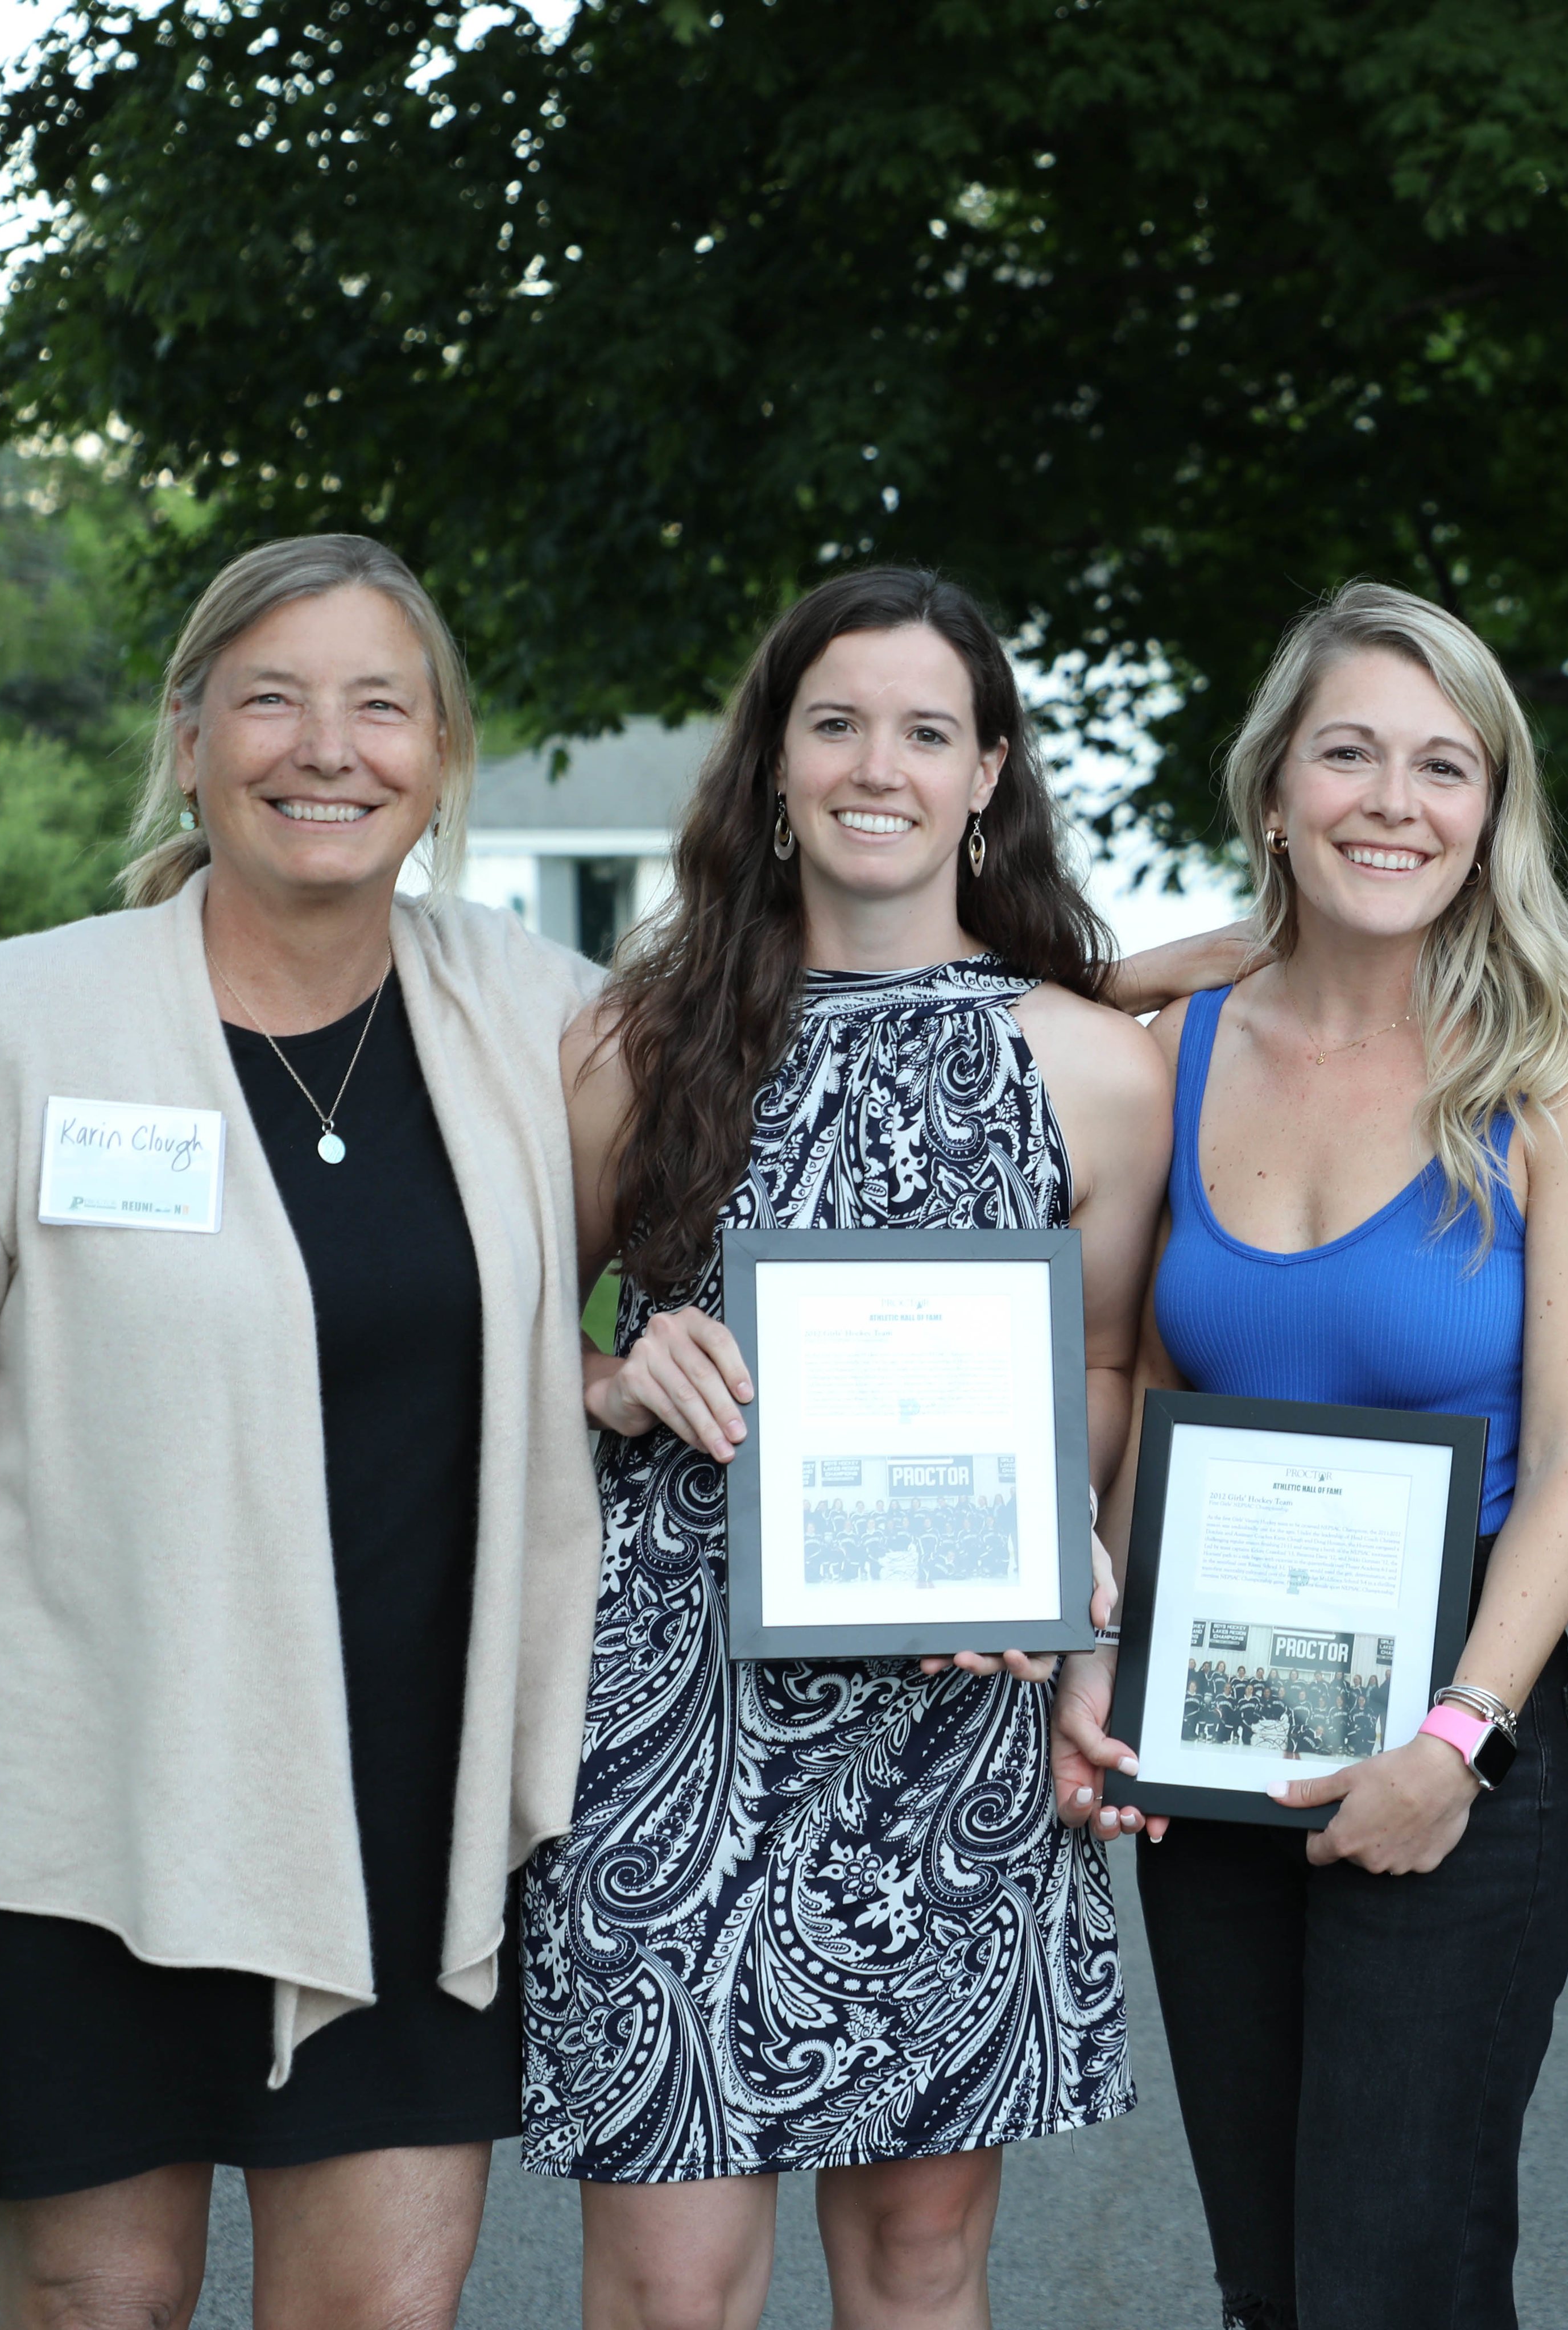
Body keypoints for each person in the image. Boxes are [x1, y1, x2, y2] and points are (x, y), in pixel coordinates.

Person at [0, 536, 604, 2325]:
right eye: (271, 698)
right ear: (190, 736)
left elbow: (831, 1075)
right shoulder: (17, 1026)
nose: (324, 747)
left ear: (441, 761)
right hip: (76, 1831)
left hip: (410, 1833)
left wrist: (1203, 973)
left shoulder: (544, 1018)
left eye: (381, 704)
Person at [520, 568, 1170, 2326]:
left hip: (958, 1727)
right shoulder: (633, 1043)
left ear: (988, 775)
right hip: (671, 1733)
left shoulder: (1096, 1070)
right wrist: (615, 1374)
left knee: (918, 2269)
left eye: (925, 730)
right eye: (836, 723)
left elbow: (1108, 1371)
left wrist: (1069, 1587)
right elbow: (512, 1328)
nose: (877, 763)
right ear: (777, 765)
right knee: (669, 2287)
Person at [1053, 580, 1568, 2330]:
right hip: (1219, 1710)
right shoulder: (1179, 1052)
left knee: (1399, 2273)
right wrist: (1101, 1656)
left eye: (1443, 767)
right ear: (1274, 791)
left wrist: (1459, 1744)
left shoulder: (1559, 1076)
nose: (1395, 801)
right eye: (1349, 756)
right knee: (1270, 2273)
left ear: (1491, 815)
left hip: (1459, 1720)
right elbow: (1158, 1392)